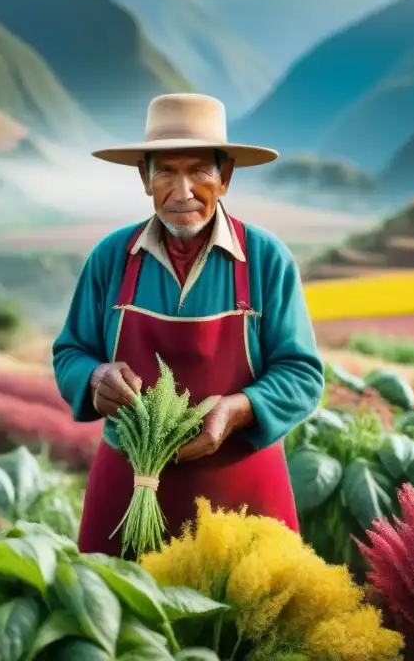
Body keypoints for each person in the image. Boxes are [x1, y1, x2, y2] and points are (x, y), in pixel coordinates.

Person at [52, 92, 326, 556]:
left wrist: (236, 411)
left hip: (239, 498)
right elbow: (70, 353)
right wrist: (95, 377)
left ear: (225, 178)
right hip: (128, 487)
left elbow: (302, 374)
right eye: (165, 172)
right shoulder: (111, 259)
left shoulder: (264, 259)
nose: (182, 193)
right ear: (144, 179)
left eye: (199, 171)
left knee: (245, 623)